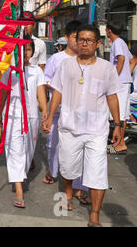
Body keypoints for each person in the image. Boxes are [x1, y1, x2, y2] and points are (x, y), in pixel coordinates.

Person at [42, 24, 122, 227]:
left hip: (97, 130)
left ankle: (94, 214)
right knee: (68, 168)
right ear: (75, 41)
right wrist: (50, 116)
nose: (84, 44)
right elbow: (57, 91)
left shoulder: (106, 68)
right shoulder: (65, 65)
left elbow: (112, 96)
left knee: (97, 172)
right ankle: (68, 191)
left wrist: (118, 125)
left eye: (88, 40)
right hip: (69, 127)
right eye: (80, 40)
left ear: (97, 43)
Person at [42, 20, 91, 204]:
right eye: (76, 38)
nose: (80, 42)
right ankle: (52, 171)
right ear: (68, 37)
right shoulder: (57, 59)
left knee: (81, 150)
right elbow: (46, 81)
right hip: (58, 111)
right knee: (53, 144)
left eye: (84, 39)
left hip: (81, 115)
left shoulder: (89, 60)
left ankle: (79, 188)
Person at [0, 37, 47, 208]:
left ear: (32, 52)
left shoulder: (37, 71)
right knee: (14, 150)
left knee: (28, 151)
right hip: (12, 116)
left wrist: (46, 114)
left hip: (32, 116)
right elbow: (3, 94)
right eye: (21, 49)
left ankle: (18, 175)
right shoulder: (9, 71)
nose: (24, 52)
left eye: (27, 49)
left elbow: (41, 93)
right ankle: (19, 188)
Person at [106, 21, 131, 154]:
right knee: (123, 115)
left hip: (121, 82)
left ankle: (118, 144)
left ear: (109, 31)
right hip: (125, 82)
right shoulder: (122, 42)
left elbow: (121, 59)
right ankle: (120, 143)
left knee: (119, 115)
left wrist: (114, 77)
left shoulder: (117, 43)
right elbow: (131, 60)